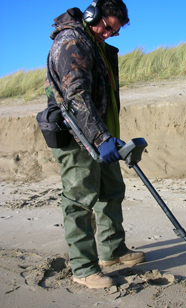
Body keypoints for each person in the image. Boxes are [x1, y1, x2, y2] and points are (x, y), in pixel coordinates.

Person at [45, 0, 145, 289]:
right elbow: (76, 96)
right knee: (79, 200)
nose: (107, 33)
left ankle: (113, 252)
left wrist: (107, 135)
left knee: (111, 192)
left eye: (113, 32)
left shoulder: (94, 43)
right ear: (93, 15)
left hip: (103, 135)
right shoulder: (72, 41)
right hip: (79, 137)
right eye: (106, 26)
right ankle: (83, 268)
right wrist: (100, 138)